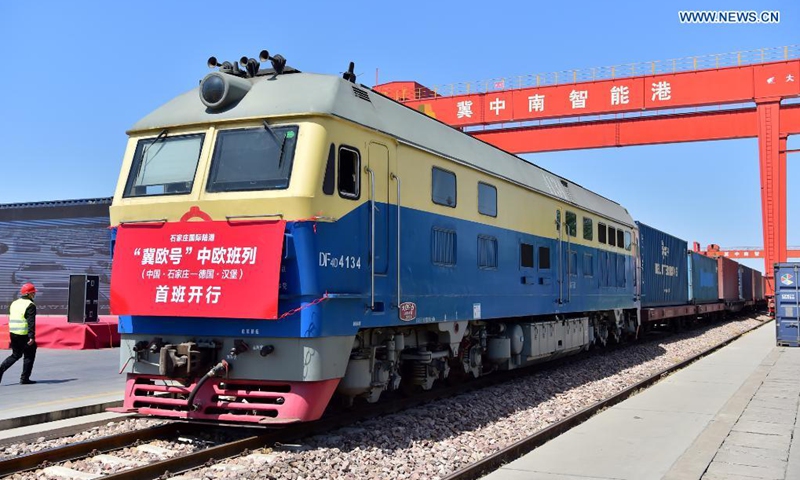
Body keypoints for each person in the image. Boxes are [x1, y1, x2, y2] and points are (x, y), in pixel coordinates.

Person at [0, 283, 38, 385]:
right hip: (24, 334)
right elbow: (31, 322)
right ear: (29, 294)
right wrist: (31, 336)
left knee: (15, 355)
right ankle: (24, 378)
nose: (34, 295)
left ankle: (0, 370)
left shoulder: (14, 303)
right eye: (33, 293)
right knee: (29, 355)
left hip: (13, 333)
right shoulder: (30, 305)